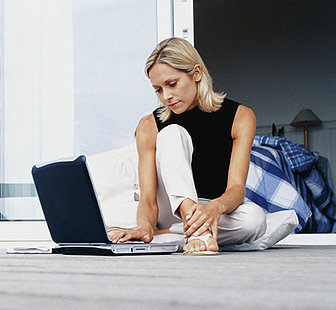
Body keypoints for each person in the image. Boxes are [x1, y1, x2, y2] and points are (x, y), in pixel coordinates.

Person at [109, 37, 266, 254]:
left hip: (209, 206)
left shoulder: (241, 116)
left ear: (197, 74)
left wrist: (214, 207)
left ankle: (163, 236)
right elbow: (148, 198)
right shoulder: (149, 126)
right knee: (172, 133)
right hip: (168, 209)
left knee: (254, 221)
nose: (166, 96)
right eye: (158, 89)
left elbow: (236, 190)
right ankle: (197, 235)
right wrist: (145, 225)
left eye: (172, 84)